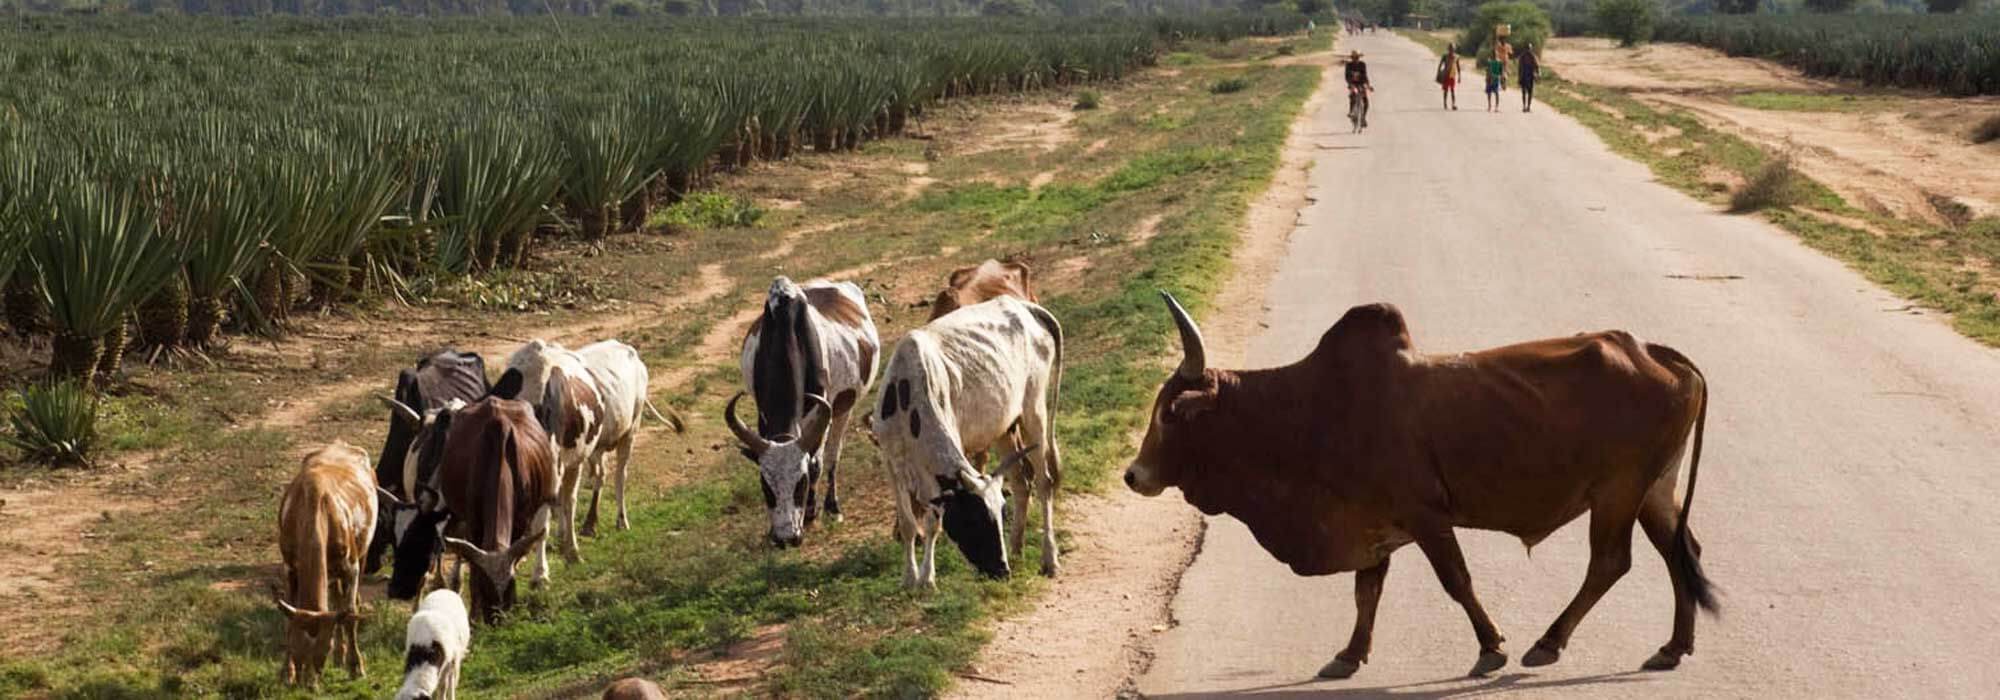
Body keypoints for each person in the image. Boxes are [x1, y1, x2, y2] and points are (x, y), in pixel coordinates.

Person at [1344, 50, 1372, 128]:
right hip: (1352, 83)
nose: (1356, 59)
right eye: (1354, 58)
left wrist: (1368, 85)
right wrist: (1350, 84)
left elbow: (1365, 75)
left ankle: (1363, 117)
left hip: (1361, 83)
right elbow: (1347, 76)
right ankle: (1351, 111)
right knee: (1353, 95)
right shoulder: (1348, 65)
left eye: (1357, 58)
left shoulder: (1362, 64)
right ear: (1352, 58)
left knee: (1365, 101)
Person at [1436, 43, 1462, 111]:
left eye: (1452, 49)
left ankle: (1453, 104)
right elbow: (1440, 64)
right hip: (1446, 75)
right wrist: (1438, 73)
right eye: (1450, 49)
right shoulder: (1445, 56)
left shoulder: (1456, 57)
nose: (1451, 50)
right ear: (1448, 49)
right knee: (1446, 90)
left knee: (1452, 90)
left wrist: (1459, 76)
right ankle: (1445, 103)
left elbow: (1458, 67)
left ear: (1454, 49)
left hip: (1452, 75)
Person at [1518, 43, 1540, 112]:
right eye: (1528, 48)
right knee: (1524, 92)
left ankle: (1528, 106)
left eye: (1529, 48)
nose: (1528, 50)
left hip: (1530, 76)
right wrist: (1519, 77)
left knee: (1529, 92)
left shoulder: (1532, 56)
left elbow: (1537, 66)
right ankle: (1525, 106)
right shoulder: (1522, 57)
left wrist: (1538, 74)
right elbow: (1520, 68)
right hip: (1524, 76)